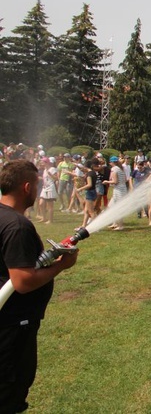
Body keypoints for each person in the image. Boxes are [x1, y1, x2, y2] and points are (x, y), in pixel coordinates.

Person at [0, 159, 79, 412]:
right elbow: (22, 281)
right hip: (13, 325)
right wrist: (61, 267)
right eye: (37, 184)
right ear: (26, 187)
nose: (39, 189)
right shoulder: (17, 226)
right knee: (9, 392)